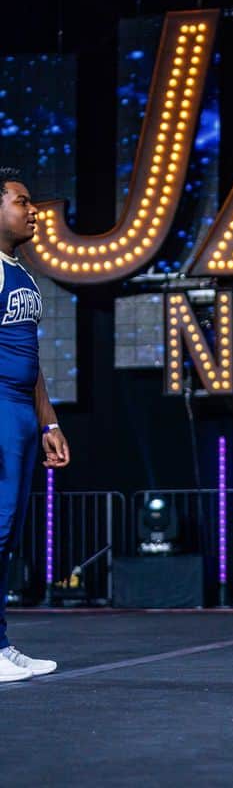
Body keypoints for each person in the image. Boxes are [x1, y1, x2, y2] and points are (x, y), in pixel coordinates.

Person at [0, 167, 70, 682]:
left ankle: (1, 644)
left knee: (8, 535)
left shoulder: (21, 273)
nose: (33, 210)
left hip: (24, 411)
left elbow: (33, 361)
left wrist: (49, 425)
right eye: (21, 201)